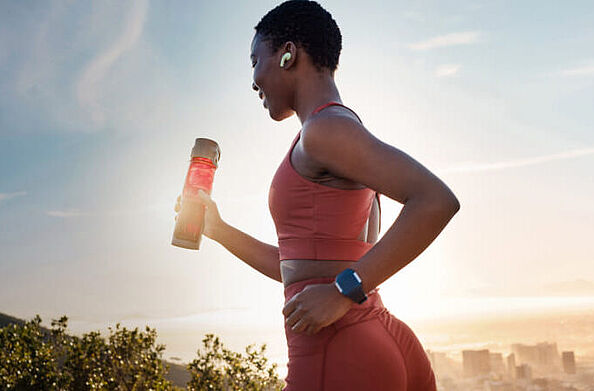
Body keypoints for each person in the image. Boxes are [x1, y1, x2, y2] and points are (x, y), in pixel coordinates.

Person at [182, 1, 459, 389]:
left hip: (340, 348)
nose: (253, 79)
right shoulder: (334, 130)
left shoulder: (324, 131)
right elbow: (298, 266)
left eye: (254, 60)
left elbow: (436, 201)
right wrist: (218, 229)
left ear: (288, 54)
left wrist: (341, 294)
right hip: (370, 338)